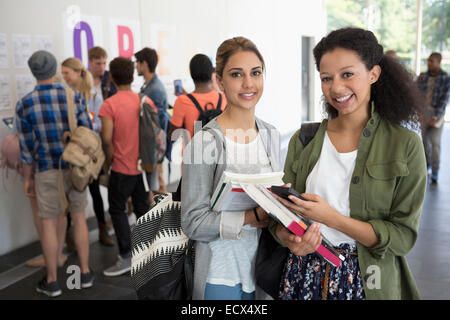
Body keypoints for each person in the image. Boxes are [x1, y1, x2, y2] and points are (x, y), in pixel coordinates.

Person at [269, 28, 427, 300]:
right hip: (303, 276)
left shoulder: (405, 145)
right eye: (326, 78)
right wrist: (290, 238)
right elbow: (280, 221)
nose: (336, 88)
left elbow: (402, 237)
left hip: (368, 281)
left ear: (374, 74)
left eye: (348, 74)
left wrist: (332, 219)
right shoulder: (304, 140)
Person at [181, 37, 280, 300]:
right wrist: (250, 218)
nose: (249, 83)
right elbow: (192, 222)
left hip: (261, 274)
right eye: (237, 74)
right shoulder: (205, 141)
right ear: (220, 81)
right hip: (219, 275)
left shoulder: (271, 134)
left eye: (256, 73)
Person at [16, 50, 94, 297]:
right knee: (79, 217)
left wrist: (27, 178)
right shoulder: (73, 97)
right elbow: (88, 132)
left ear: (33, 72)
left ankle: (51, 281)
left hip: (46, 171)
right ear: (54, 70)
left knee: (49, 224)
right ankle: (85, 272)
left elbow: (27, 149)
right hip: (75, 169)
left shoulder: (25, 104)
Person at [99, 57, 158, 277]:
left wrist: (110, 160)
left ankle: (126, 256)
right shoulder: (144, 101)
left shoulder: (109, 104)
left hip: (121, 168)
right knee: (143, 209)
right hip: (142, 168)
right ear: (133, 76)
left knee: (117, 209)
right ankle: (148, 253)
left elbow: (106, 139)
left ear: (112, 77)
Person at [61, 57, 114, 246]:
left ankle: (102, 229)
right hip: (72, 152)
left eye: (67, 73)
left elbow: (100, 123)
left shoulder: (93, 96)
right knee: (68, 192)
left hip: (91, 152)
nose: (64, 77)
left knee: (94, 191)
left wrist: (86, 131)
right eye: (63, 73)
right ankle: (69, 236)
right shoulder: (64, 96)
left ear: (77, 72)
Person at [135, 47, 169, 194]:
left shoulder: (154, 89)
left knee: (158, 187)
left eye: (137, 62)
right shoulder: (148, 86)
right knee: (154, 185)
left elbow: (156, 124)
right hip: (151, 145)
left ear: (144, 64)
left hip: (155, 146)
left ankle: (167, 217)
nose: (135, 66)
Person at [169, 53, 227, 139]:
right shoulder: (223, 98)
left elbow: (173, 136)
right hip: (219, 151)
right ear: (211, 73)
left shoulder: (182, 101)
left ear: (191, 74)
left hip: (193, 151)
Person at [416, 52, 450, 184]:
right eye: (428, 61)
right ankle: (427, 165)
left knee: (435, 143)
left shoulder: (445, 78)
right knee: (424, 142)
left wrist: (435, 117)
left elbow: (445, 100)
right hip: (423, 113)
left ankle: (435, 171)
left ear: (439, 62)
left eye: (432, 61)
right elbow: (416, 94)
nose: (429, 63)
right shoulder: (422, 77)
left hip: (437, 115)